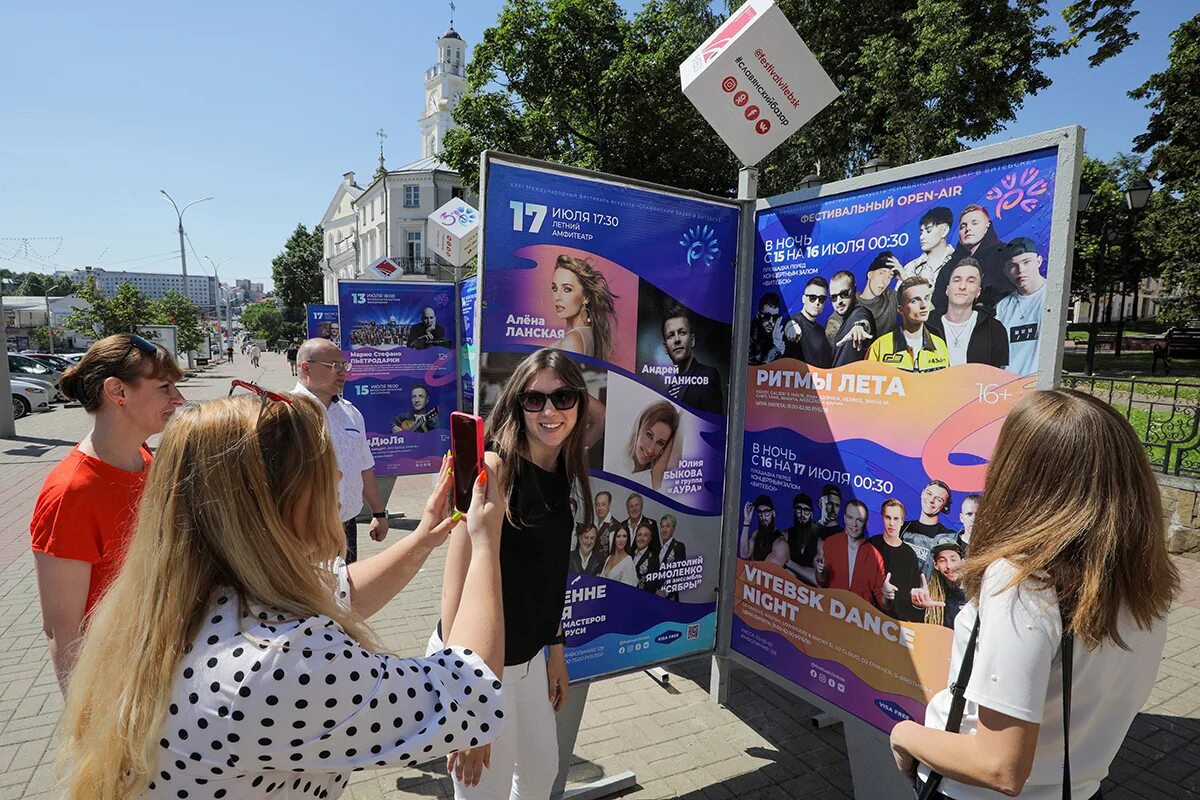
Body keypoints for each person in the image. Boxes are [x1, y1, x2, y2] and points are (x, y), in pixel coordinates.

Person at [58, 391, 508, 799]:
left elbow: (340, 592)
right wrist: (484, 542)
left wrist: (424, 538)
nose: (338, 473)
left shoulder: (174, 596)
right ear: (269, 503)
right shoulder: (280, 658)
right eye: (320, 466)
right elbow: (470, 696)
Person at [891, 389, 1178, 799]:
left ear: (1019, 472)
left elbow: (999, 767)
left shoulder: (1022, 580)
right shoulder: (1144, 575)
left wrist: (904, 735)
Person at [436, 347, 592, 799]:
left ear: (579, 403)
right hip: (480, 664)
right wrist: (467, 698)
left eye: (563, 398)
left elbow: (549, 572)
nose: (549, 411)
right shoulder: (493, 468)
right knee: (483, 790)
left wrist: (556, 652)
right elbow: (455, 586)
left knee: (541, 776)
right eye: (534, 399)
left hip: (528, 663)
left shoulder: (562, 463)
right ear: (517, 403)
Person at [30, 334, 184, 693]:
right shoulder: (71, 493)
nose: (178, 399)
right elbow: (63, 632)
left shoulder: (144, 459)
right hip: (118, 688)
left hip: (161, 672)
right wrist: (86, 725)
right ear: (118, 392)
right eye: (164, 387)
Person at [296, 338, 390, 563]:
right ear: (306, 367)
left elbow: (364, 467)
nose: (342, 373)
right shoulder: (288, 413)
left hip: (347, 525)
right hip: (305, 532)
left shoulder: (351, 414)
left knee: (347, 591)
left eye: (344, 366)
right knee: (315, 595)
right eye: (334, 366)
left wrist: (379, 514)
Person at [928, 259, 1009, 369]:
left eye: (970, 281)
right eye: (957, 280)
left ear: (978, 292)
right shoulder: (926, 326)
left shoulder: (994, 329)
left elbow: (999, 377)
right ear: (947, 290)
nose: (962, 286)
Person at [814, 500, 891, 610]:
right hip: (832, 611)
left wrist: (888, 597)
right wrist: (820, 572)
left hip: (861, 617)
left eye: (859, 520)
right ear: (844, 518)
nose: (854, 524)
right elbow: (822, 582)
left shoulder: (875, 556)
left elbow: (883, 603)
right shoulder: (830, 543)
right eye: (850, 517)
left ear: (866, 523)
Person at [934, 204, 1009, 315]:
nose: (968, 229)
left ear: (987, 227)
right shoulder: (949, 267)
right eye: (963, 226)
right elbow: (937, 304)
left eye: (974, 223)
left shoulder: (1004, 255)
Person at [866, 276, 951, 373]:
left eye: (926, 298)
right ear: (900, 310)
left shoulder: (940, 345)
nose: (924, 305)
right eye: (915, 300)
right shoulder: (880, 347)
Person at [994, 237, 1049, 376]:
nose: (1020, 270)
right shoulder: (1002, 307)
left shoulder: (1052, 297)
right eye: (1013, 266)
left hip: (1040, 389)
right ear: (1005, 271)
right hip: (1008, 387)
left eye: (1026, 262)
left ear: (1038, 261)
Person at [550, 254, 618, 361]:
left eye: (567, 289)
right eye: (554, 288)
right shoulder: (587, 334)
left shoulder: (572, 340)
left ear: (586, 296)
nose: (557, 297)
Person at [868, 499, 924, 623]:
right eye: (888, 517)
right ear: (882, 518)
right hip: (868, 616)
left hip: (896, 623)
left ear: (902, 521)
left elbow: (911, 594)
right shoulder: (870, 546)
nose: (892, 523)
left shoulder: (910, 555)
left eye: (896, 518)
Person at [661, 305, 723, 413]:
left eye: (682, 333)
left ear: (692, 340)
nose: (677, 340)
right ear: (666, 348)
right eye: (670, 335)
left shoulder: (707, 375)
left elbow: (713, 424)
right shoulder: (671, 388)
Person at [901, 479, 954, 578]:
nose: (931, 500)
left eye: (938, 499)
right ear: (922, 493)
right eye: (929, 494)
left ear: (945, 506)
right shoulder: (902, 527)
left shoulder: (948, 537)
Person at [911, 541, 967, 629]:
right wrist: (918, 606)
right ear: (936, 565)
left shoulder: (976, 593)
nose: (949, 566)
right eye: (942, 561)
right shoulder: (932, 593)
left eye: (953, 560)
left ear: (962, 562)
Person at [825, 271, 876, 366]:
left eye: (844, 293)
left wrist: (859, 326)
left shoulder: (861, 312)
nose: (839, 301)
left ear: (854, 289)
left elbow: (863, 318)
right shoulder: (840, 319)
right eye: (833, 297)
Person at [626, 401, 680, 491]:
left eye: (660, 443)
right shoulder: (618, 462)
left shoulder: (655, 475)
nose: (650, 450)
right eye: (649, 435)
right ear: (639, 427)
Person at [782, 276, 834, 368]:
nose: (817, 302)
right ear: (803, 299)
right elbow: (790, 325)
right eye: (812, 298)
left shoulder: (822, 331)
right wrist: (791, 327)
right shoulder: (793, 320)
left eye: (821, 299)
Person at [904, 207, 956, 288]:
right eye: (921, 232)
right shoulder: (910, 268)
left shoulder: (959, 262)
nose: (922, 237)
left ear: (944, 231)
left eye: (928, 230)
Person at [857, 251, 904, 340]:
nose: (884, 280)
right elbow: (833, 325)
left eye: (889, 276)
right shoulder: (851, 300)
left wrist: (905, 278)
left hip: (885, 352)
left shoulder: (891, 297)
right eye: (882, 273)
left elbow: (927, 309)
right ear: (870, 274)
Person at [739, 495, 784, 562]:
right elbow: (744, 554)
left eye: (766, 512)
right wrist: (747, 521)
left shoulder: (780, 541)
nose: (763, 517)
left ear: (773, 513)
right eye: (760, 512)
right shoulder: (756, 534)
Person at [785, 492, 821, 570]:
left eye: (806, 510)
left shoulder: (819, 543)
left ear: (811, 515)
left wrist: (790, 565)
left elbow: (817, 575)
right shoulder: (785, 536)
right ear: (794, 511)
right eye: (799, 509)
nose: (802, 514)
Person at [748, 292, 784, 365]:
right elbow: (756, 369)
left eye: (774, 318)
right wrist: (775, 348)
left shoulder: (777, 335)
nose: (771, 321)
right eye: (767, 316)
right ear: (759, 315)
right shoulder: (749, 336)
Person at [656, 514, 687, 600]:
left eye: (668, 526)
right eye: (662, 526)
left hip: (669, 597)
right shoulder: (657, 549)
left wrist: (665, 592)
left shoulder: (678, 547)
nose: (664, 530)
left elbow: (680, 573)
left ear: (673, 529)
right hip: (654, 596)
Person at [631, 522, 662, 593]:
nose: (641, 538)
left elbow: (651, 586)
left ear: (650, 539)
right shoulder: (629, 555)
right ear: (636, 537)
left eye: (645, 535)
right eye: (639, 535)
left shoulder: (654, 559)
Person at [594, 490, 624, 558]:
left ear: (609, 505)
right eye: (597, 504)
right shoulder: (592, 524)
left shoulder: (617, 527)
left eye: (603, 504)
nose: (600, 508)